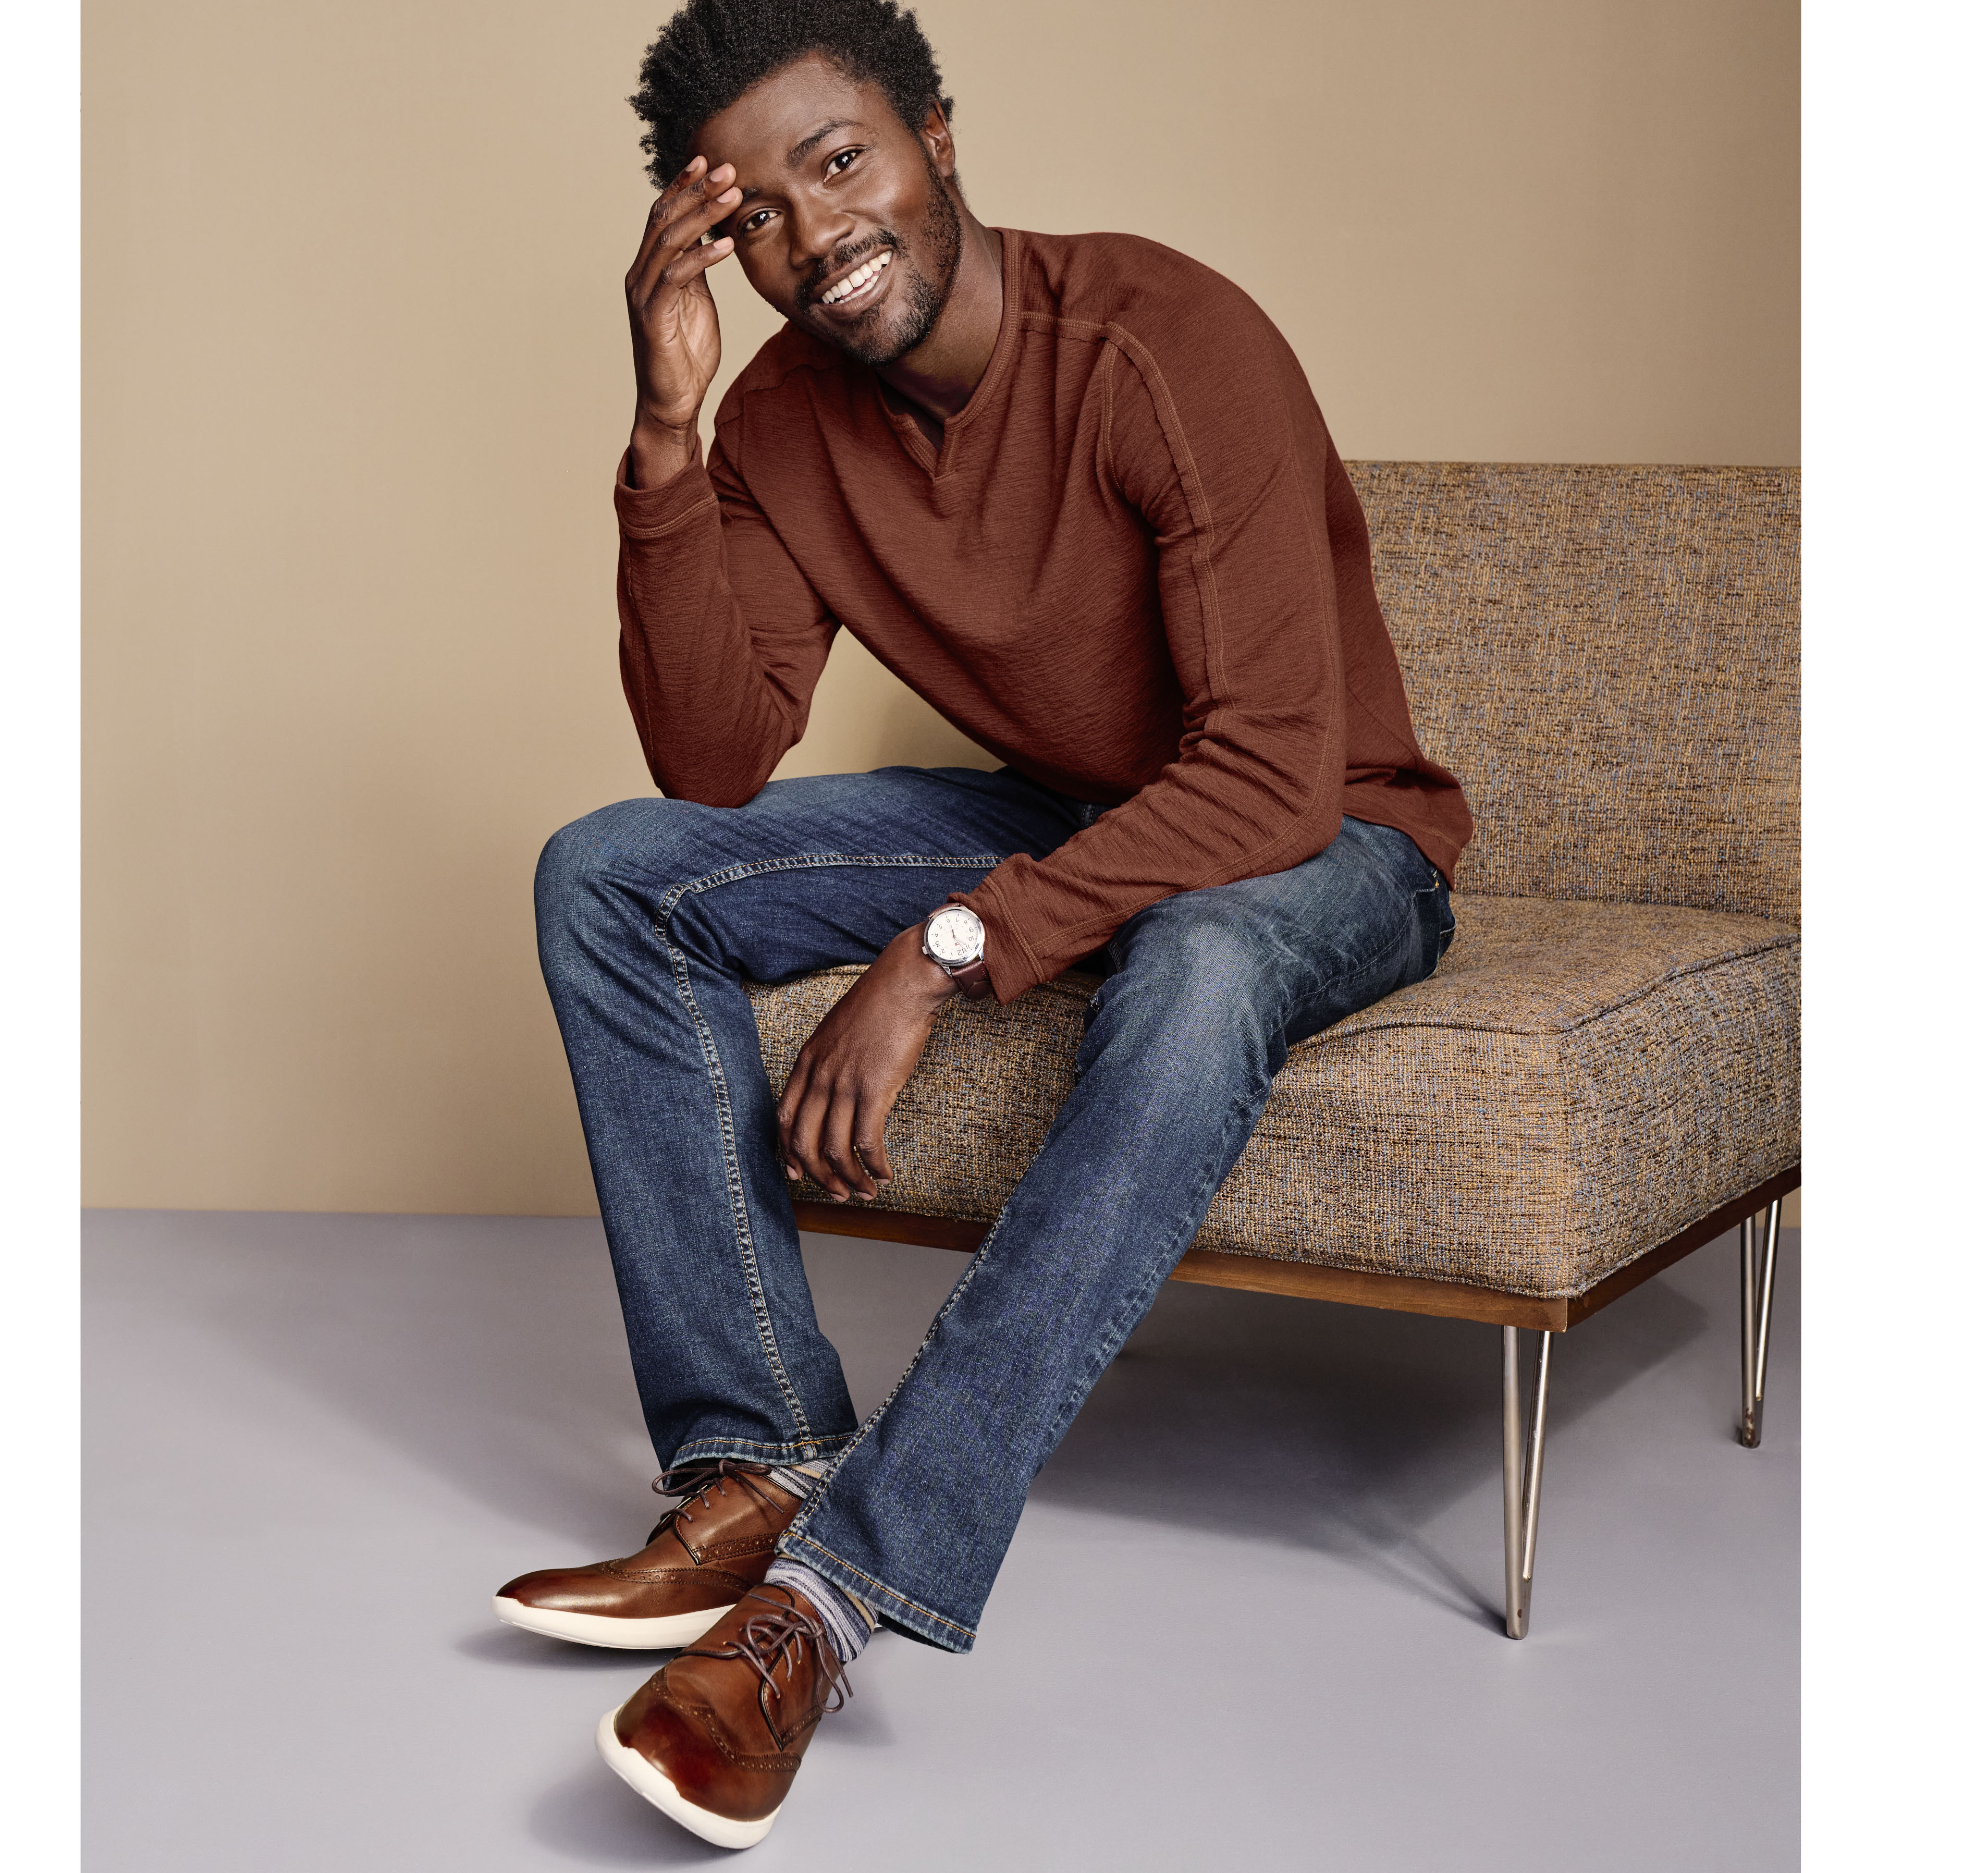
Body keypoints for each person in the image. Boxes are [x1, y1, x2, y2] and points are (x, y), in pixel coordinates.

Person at [493, 0, 1472, 1849]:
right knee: (608, 870)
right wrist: (665, 429)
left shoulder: (1165, 341)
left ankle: (834, 1595)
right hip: (1081, 812)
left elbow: (1269, 777)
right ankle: (759, 1457)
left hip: (1331, 833)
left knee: (1200, 958)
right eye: (756, 215)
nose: (814, 233)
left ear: (936, 134)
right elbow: (712, 757)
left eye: (839, 161)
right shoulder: (780, 420)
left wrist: (949, 945)